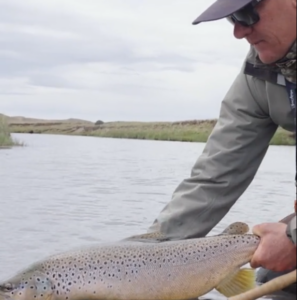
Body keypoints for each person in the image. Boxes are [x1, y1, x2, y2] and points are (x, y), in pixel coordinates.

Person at [148, 0, 296, 289]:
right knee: (276, 278)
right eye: (232, 19)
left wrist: (292, 236)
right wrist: (148, 254)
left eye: (245, 13)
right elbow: (213, 178)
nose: (239, 32)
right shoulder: (258, 75)